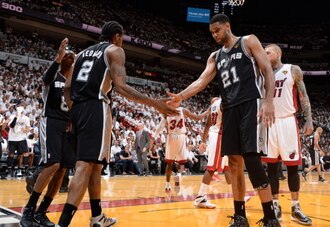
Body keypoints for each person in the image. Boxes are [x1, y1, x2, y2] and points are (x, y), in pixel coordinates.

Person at [57, 21, 178, 227]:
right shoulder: (115, 50)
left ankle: (97, 217)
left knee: (95, 166)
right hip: (96, 107)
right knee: (85, 166)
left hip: (77, 109)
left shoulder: (81, 54)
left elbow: (67, 86)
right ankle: (63, 223)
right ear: (117, 36)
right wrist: (154, 103)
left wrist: (71, 113)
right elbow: (120, 87)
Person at [167, 14, 279, 226]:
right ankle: (240, 217)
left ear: (228, 26)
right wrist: (181, 96)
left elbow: (266, 69)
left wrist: (269, 100)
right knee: (234, 165)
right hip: (230, 109)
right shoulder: (215, 56)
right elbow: (201, 81)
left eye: (217, 30)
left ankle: (271, 218)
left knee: (252, 162)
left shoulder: (248, 41)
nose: (214, 35)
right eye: (211, 33)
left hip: (251, 104)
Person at [20, 38, 76, 227]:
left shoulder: (74, 85)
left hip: (66, 127)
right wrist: (57, 59)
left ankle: (42, 211)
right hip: (51, 122)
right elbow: (45, 80)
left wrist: (72, 121)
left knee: (62, 169)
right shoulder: (55, 77)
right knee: (53, 164)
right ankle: (28, 211)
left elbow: (73, 107)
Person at [262, 44, 313, 225]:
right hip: (268, 123)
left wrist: (309, 119)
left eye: (267, 52)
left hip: (288, 121)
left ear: (278, 53)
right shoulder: (262, 73)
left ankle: (295, 207)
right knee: (272, 168)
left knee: (292, 167)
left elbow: (303, 95)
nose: (265, 54)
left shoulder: (292, 69)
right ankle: (275, 204)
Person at [193, 97, 250, 209]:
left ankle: (238, 195)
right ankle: (200, 197)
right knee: (211, 168)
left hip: (218, 136)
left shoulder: (213, 105)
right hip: (219, 136)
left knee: (227, 167)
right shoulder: (224, 103)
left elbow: (207, 125)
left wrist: (203, 141)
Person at [154, 100, 209, 192]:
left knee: (169, 163)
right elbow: (197, 118)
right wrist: (207, 111)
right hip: (181, 137)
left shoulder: (166, 112)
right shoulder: (183, 110)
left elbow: (161, 126)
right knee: (182, 162)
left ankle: (167, 185)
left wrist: (155, 135)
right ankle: (179, 175)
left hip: (171, 137)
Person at [7, 105, 31, 178]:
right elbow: (11, 126)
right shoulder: (12, 117)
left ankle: (25, 169)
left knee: (26, 154)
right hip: (12, 138)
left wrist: (24, 130)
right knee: (11, 154)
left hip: (21, 138)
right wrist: (16, 117)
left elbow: (28, 128)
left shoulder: (26, 118)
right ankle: (10, 170)